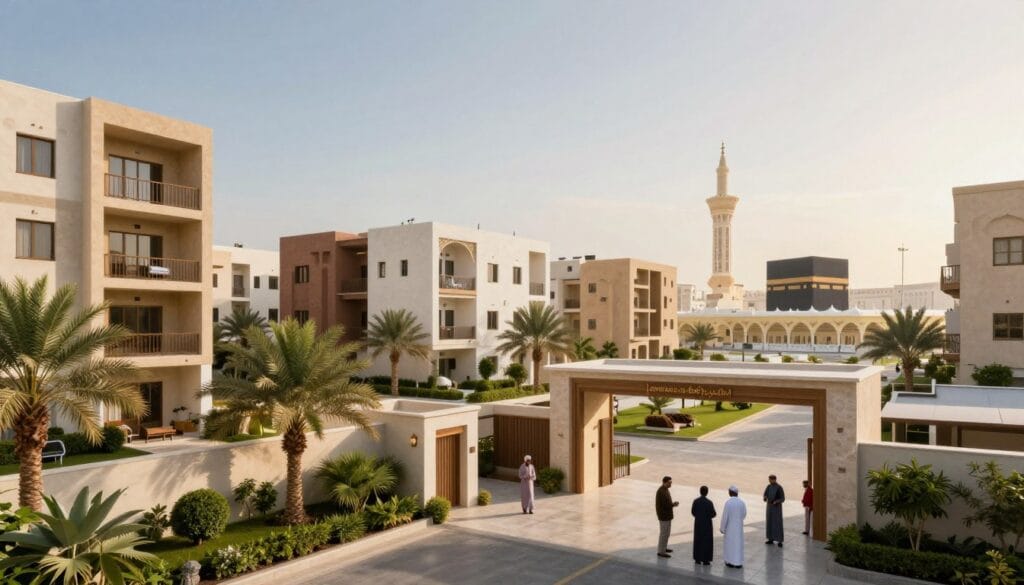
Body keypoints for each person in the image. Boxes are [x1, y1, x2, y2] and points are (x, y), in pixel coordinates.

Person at [720, 485, 746, 568]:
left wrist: (722, 528)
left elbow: (725, 516)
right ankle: (738, 563)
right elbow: (744, 514)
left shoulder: (728, 503)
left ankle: (730, 562)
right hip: (738, 528)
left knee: (730, 545)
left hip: (730, 528)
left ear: (731, 493)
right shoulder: (742, 502)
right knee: (738, 545)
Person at [691, 485, 716, 565]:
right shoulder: (709, 502)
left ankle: (697, 559)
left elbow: (693, 512)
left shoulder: (696, 501)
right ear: (707, 492)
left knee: (698, 540)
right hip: (707, 525)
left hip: (698, 524)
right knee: (706, 542)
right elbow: (713, 514)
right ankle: (706, 559)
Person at [655, 476, 679, 558]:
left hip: (667, 516)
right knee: (664, 534)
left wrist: (672, 504)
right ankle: (661, 551)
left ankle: (664, 548)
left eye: (671, 482)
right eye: (669, 482)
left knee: (667, 533)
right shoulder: (661, 491)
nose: (670, 484)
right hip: (664, 516)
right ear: (664, 482)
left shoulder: (665, 489)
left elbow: (667, 502)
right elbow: (665, 505)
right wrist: (673, 504)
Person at [763, 474, 785, 546]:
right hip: (769, 508)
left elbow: (783, 498)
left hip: (777, 509)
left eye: (770, 480)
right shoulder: (768, 487)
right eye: (769, 479)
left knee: (777, 524)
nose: (769, 481)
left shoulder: (779, 488)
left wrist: (776, 501)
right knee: (770, 523)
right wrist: (765, 497)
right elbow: (765, 494)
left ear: (774, 479)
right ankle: (770, 539)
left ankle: (779, 540)